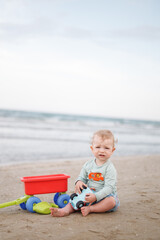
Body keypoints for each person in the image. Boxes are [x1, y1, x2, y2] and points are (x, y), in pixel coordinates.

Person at [50, 129, 120, 217]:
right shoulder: (88, 165)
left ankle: (91, 209)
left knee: (111, 201)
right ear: (92, 148)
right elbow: (81, 177)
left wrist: (96, 197)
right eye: (98, 147)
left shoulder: (109, 168)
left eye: (106, 148)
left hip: (104, 197)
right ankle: (64, 211)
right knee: (76, 197)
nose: (102, 151)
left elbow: (109, 188)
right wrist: (79, 182)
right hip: (88, 195)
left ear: (112, 150)